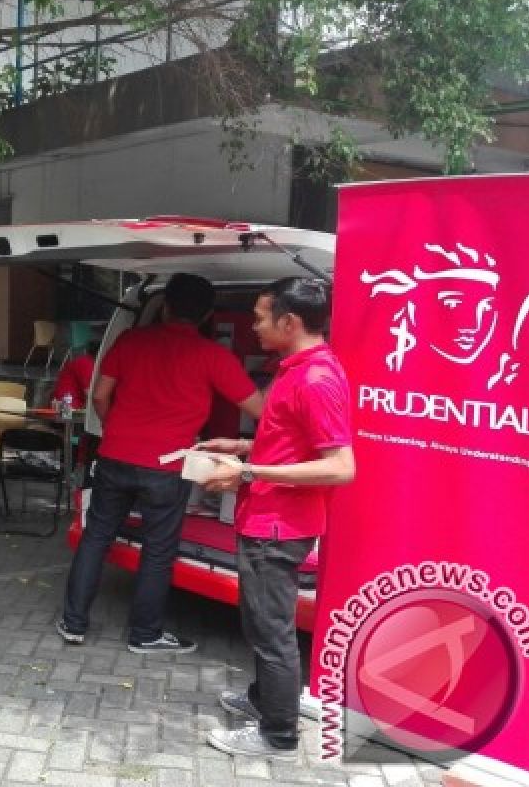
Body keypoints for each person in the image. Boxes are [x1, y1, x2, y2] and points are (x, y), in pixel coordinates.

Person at [56, 273, 264, 654]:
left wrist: (114, 428)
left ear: (165, 306)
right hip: (167, 466)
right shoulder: (213, 355)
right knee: (158, 548)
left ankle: (73, 623)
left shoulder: (131, 339)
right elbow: (260, 409)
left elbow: (100, 395)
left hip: (116, 455)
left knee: (97, 536)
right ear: (206, 316)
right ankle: (145, 634)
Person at [199, 277, 354, 760]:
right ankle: (264, 701)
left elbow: (340, 466)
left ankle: (278, 735)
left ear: (289, 322)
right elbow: (293, 442)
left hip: (278, 526)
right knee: (262, 626)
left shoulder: (316, 379)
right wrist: (244, 446)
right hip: (266, 517)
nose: (254, 326)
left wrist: (245, 470)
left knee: (271, 633)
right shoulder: (295, 369)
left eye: (262, 318)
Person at [52, 339, 100, 406]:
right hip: (68, 405)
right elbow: (90, 393)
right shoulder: (86, 363)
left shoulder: (87, 362)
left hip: (70, 403)